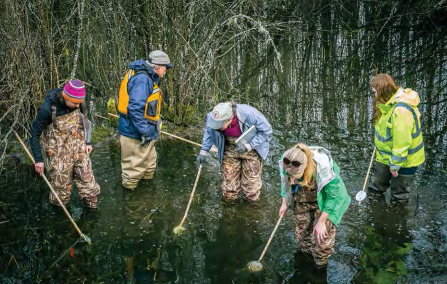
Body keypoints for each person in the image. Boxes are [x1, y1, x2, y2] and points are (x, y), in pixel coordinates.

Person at [30, 79, 100, 208]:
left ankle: (91, 215)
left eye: (80, 103)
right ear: (66, 97)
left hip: (79, 148)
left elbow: (85, 120)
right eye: (74, 103)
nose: (78, 106)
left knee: (90, 188)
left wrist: (88, 142)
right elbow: (34, 134)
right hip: (58, 154)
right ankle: (61, 221)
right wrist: (38, 160)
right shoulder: (47, 109)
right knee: (60, 195)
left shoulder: (79, 102)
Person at [278, 143, 350, 266]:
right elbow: (284, 182)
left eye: (295, 177)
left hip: (328, 200)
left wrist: (321, 222)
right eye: (290, 176)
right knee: (303, 235)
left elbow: (333, 197)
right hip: (303, 195)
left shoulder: (323, 169)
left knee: (321, 239)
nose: (292, 180)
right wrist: (284, 202)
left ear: (305, 167)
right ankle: (306, 260)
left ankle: (320, 266)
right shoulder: (287, 161)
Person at [117, 50, 173, 190]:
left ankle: (147, 194)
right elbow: (135, 109)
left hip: (144, 130)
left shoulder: (145, 75)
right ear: (158, 67)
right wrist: (145, 132)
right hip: (135, 132)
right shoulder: (143, 80)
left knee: (149, 166)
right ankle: (133, 204)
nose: (166, 71)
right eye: (166, 67)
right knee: (133, 172)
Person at [196, 102, 272, 202]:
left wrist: (249, 146)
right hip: (229, 149)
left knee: (251, 189)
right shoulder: (213, 117)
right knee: (229, 189)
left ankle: (251, 210)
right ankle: (230, 209)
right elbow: (209, 132)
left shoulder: (250, 114)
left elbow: (267, 131)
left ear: (230, 119)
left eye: (220, 125)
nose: (217, 127)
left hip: (252, 149)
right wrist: (203, 151)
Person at [368, 73, 425, 201]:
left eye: (375, 91)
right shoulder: (385, 105)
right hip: (385, 155)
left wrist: (395, 165)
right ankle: (375, 211)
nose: (374, 95)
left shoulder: (401, 111)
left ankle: (397, 216)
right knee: (376, 187)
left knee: (399, 194)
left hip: (406, 160)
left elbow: (402, 142)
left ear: (382, 91)